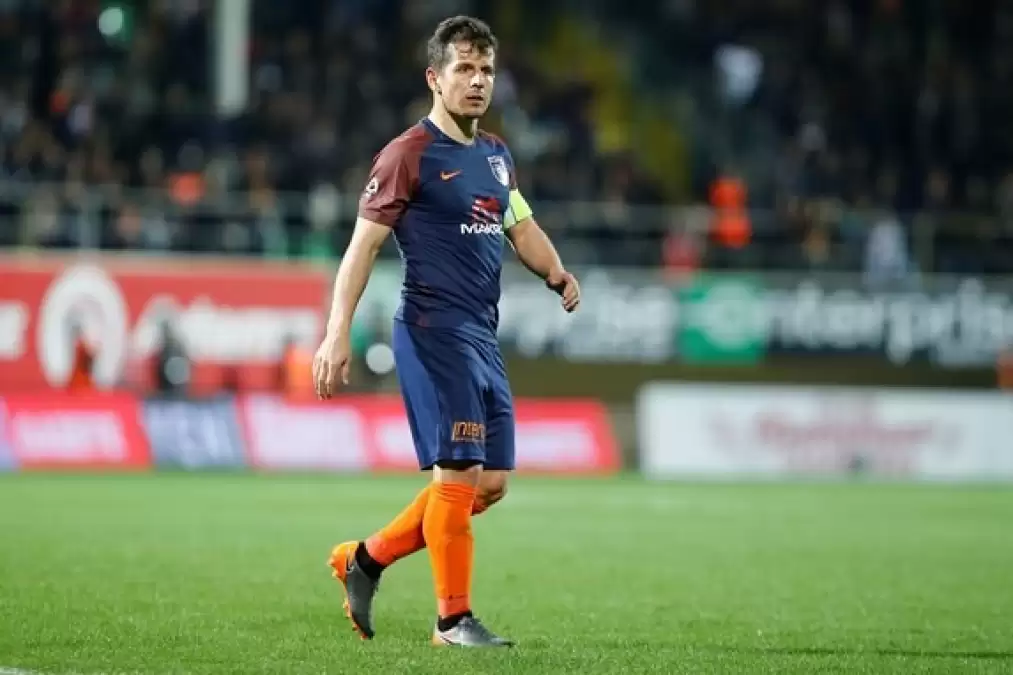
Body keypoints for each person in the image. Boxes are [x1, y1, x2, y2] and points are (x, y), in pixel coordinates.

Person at [312, 16, 580, 648]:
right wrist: (336, 331)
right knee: (457, 474)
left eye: (486, 70)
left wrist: (556, 271)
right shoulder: (408, 155)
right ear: (435, 77)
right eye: (465, 69)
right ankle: (452, 621)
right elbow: (361, 248)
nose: (478, 81)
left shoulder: (496, 156)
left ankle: (365, 560)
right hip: (433, 331)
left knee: (489, 484)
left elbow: (520, 225)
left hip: (482, 336)